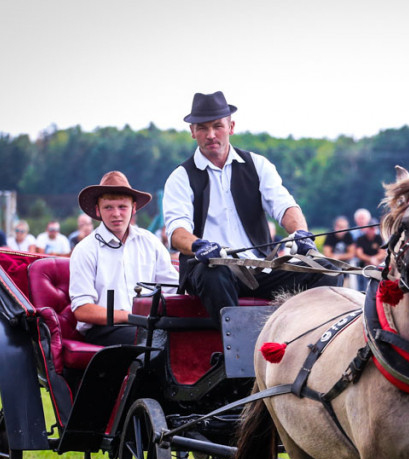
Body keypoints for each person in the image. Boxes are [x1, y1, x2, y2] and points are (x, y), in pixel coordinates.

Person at [162, 91, 338, 320]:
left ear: (231, 127)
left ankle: (311, 346)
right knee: (213, 273)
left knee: (327, 271)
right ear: (192, 132)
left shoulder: (258, 165)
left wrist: (300, 234)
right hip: (210, 270)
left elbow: (284, 206)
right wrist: (199, 246)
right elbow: (177, 232)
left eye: (218, 126)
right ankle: (233, 351)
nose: (211, 134)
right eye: (203, 128)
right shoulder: (180, 177)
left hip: (259, 270)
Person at [70, 171, 179, 345]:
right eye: (108, 207)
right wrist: (129, 316)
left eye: (122, 207)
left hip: (148, 326)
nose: (116, 214)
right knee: (154, 342)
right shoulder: (85, 249)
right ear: (98, 210)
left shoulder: (151, 242)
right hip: (106, 329)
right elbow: (82, 310)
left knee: (182, 338)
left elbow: (175, 289)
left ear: (133, 208)